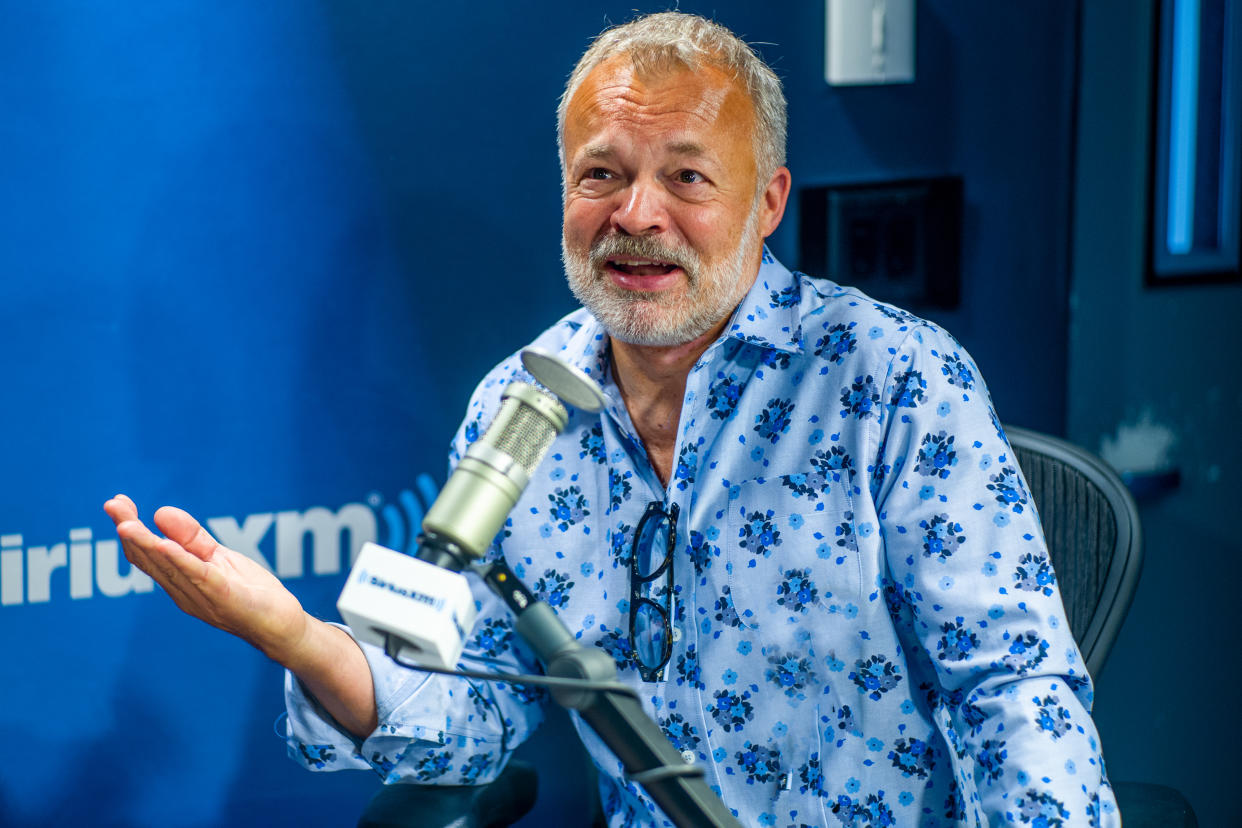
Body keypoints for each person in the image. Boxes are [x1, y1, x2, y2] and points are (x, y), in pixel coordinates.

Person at [106, 12, 1119, 827]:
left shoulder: (895, 378)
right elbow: (475, 704)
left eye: (685, 175)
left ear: (767, 202)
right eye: (602, 173)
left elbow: (1011, 693)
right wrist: (296, 638)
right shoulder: (522, 404)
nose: (637, 215)